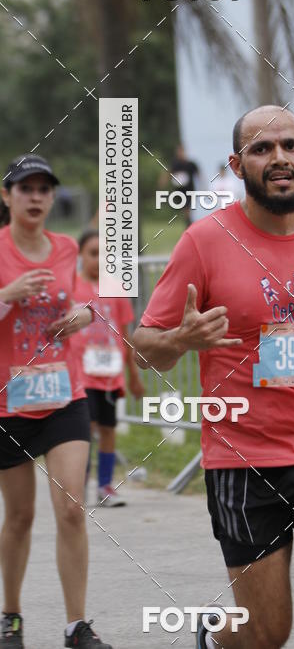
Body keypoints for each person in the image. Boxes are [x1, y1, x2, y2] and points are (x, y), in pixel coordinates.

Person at [133, 106, 294, 649]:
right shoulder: (204, 242)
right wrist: (181, 339)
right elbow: (143, 349)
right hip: (244, 458)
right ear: (237, 165)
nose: (279, 157)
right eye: (261, 148)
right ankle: (216, 637)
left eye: (290, 145)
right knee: (264, 632)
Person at [0, 155, 112, 649]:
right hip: (9, 403)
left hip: (64, 395)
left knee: (70, 508)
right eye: (26, 188)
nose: (36, 197)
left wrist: (83, 316)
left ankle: (76, 626)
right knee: (19, 516)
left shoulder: (67, 248)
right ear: (7, 196)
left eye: (44, 189)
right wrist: (8, 293)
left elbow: (89, 302)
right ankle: (11, 617)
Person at [70, 229, 144, 508]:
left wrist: (134, 376)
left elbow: (125, 334)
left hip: (111, 375)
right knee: (85, 429)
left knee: (108, 428)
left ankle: (105, 486)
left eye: (104, 254)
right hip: (81, 374)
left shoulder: (116, 289)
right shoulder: (72, 287)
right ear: (80, 255)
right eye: (93, 253)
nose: (99, 259)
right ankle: (79, 486)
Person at [159, 144, 201, 227]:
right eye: (178, 152)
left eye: (181, 151)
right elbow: (168, 173)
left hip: (189, 191)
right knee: (184, 211)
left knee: (187, 210)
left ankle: (189, 227)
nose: (180, 153)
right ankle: (189, 225)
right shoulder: (175, 164)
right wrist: (162, 182)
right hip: (179, 192)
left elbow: (198, 175)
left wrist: (202, 186)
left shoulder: (190, 164)